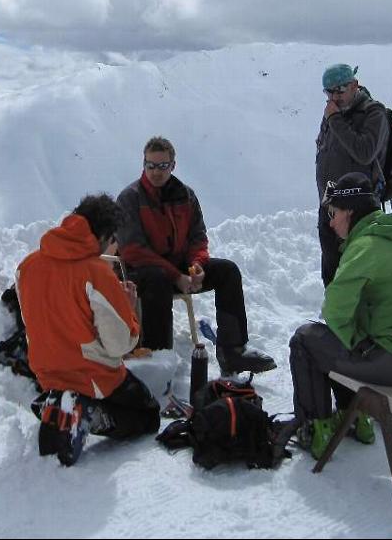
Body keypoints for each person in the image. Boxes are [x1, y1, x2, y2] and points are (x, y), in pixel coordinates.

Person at [280, 172, 392, 460]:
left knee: (307, 339)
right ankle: (356, 419)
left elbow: (335, 311)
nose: (330, 221)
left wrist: (357, 342)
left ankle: (316, 429)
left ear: (350, 211)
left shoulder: (364, 248)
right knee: (348, 339)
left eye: (334, 212)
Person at [16, 193, 161, 467]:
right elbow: (120, 344)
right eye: (112, 241)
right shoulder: (96, 272)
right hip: (91, 375)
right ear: (104, 236)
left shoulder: (28, 266)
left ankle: (55, 405)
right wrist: (127, 307)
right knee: (148, 415)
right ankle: (87, 413)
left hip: (47, 371)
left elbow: (32, 319)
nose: (114, 247)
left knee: (122, 397)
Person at [116, 136, 276, 375]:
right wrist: (175, 276)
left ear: (173, 165)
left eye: (162, 166)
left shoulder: (185, 195)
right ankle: (159, 358)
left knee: (227, 271)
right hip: (141, 273)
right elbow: (133, 250)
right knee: (157, 278)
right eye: (151, 165)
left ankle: (233, 351)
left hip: (178, 267)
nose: (156, 172)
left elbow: (198, 237)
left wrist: (196, 266)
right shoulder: (130, 198)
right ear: (143, 164)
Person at [314, 63, 389, 286]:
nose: (334, 96)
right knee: (331, 265)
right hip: (330, 203)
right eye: (329, 91)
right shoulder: (332, 113)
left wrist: (335, 120)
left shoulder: (373, 112)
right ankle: (334, 311)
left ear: (354, 85)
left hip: (358, 207)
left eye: (340, 90)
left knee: (358, 265)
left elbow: (365, 152)